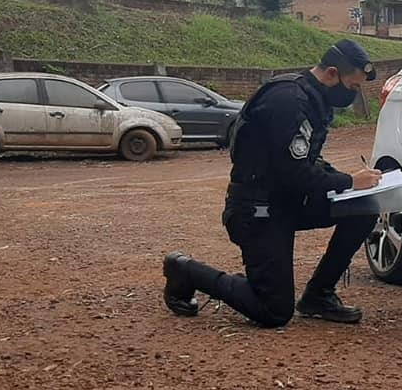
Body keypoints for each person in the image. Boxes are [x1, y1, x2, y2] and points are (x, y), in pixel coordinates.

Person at [162, 39, 383, 326]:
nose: (353, 94)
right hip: (258, 210)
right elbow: (295, 174)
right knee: (273, 310)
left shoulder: (313, 99)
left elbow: (305, 162)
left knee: (364, 209)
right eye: (353, 87)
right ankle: (185, 271)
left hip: (288, 202)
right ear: (331, 74)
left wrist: (347, 182)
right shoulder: (288, 101)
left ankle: (319, 296)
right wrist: (349, 181)